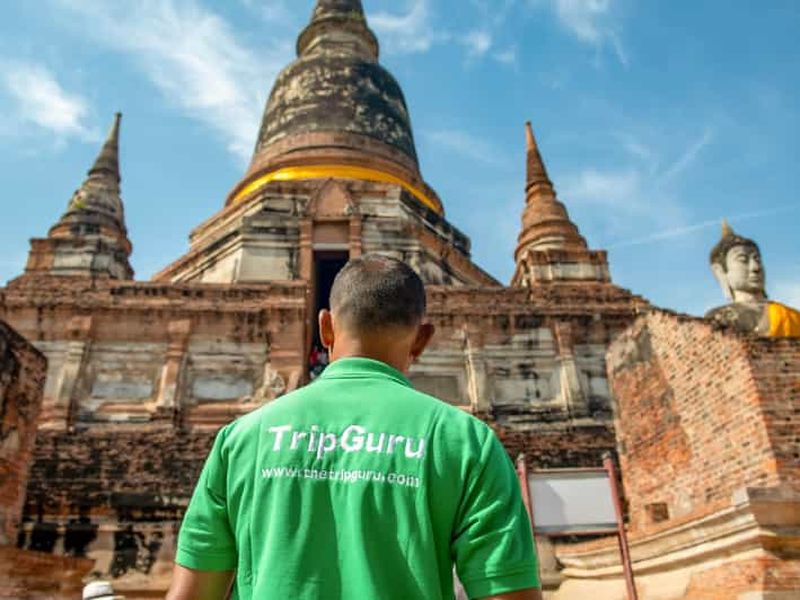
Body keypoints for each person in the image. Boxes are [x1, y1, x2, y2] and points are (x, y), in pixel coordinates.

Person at [166, 255, 541, 600]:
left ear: (325, 327)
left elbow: (191, 595)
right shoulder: (466, 443)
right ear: (422, 339)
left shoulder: (242, 440)